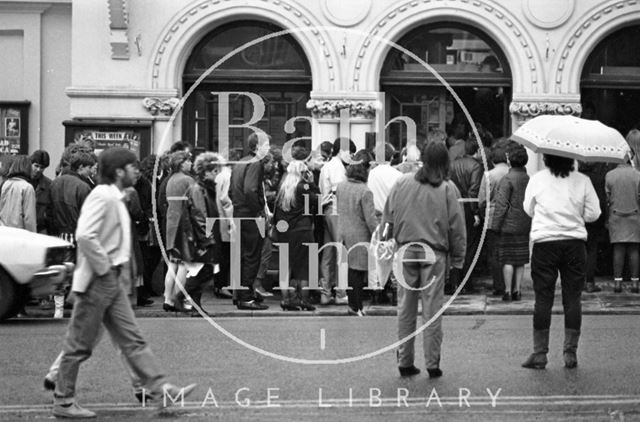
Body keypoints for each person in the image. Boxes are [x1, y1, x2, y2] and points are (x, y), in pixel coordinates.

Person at [51, 148, 196, 419]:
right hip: (98, 280)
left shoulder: (114, 196)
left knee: (133, 340)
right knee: (79, 344)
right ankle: (63, 400)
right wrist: (105, 269)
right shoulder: (102, 196)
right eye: (131, 168)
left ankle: (160, 389)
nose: (136, 172)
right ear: (119, 172)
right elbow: (84, 235)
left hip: (111, 279)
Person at [383, 141, 466, 378]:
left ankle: (405, 360)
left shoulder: (401, 182)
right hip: (434, 254)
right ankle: (432, 363)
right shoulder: (448, 189)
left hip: (405, 250)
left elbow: (387, 219)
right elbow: (457, 229)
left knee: (405, 309)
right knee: (432, 310)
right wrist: (458, 261)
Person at [522, 154, 601, 370]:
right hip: (574, 243)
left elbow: (528, 209)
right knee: (573, 298)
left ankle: (539, 354)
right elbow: (595, 212)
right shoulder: (582, 180)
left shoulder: (537, 179)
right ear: (572, 159)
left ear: (546, 158)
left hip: (545, 243)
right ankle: (570, 353)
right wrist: (576, 215)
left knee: (543, 299)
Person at [229, 133, 271, 310]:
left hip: (239, 213)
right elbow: (250, 190)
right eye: (266, 145)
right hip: (250, 215)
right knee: (252, 257)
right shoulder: (255, 163)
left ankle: (240, 294)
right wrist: (258, 212)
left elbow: (233, 191)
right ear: (258, 146)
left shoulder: (241, 162)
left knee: (242, 255)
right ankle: (246, 297)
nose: (268, 148)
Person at [273, 159, 318, 311]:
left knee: (286, 267)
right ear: (302, 173)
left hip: (285, 233)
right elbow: (316, 200)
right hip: (302, 231)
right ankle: (303, 300)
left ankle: (286, 300)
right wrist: (312, 183)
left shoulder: (282, 188)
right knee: (304, 268)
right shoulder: (303, 186)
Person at [336, 150, 377, 316]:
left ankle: (353, 305)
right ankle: (356, 306)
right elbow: (370, 218)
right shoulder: (365, 191)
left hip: (344, 230)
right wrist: (378, 233)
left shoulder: (341, 186)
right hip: (360, 233)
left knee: (351, 269)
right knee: (358, 272)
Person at [182, 152, 223, 316]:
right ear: (205, 172)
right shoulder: (199, 189)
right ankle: (180, 296)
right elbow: (200, 216)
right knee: (205, 271)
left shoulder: (207, 189)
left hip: (205, 236)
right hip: (202, 238)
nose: (217, 175)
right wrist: (207, 239)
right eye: (214, 171)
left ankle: (195, 305)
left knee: (202, 271)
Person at [318, 137, 356, 305]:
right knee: (342, 252)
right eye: (350, 153)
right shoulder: (337, 168)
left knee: (328, 253)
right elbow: (340, 192)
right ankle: (341, 293)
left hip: (326, 210)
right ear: (341, 151)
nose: (351, 156)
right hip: (336, 210)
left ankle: (325, 293)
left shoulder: (327, 166)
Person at [491, 143, 530, 301]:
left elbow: (501, 205)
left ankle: (507, 291)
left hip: (508, 225)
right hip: (524, 223)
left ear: (510, 160)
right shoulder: (528, 178)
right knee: (520, 260)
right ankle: (517, 290)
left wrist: (495, 225)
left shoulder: (507, 179)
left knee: (507, 259)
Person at [605, 129, 640, 294]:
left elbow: (607, 200)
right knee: (634, 249)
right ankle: (634, 283)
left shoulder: (609, 175)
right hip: (634, 215)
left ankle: (617, 283)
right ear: (630, 157)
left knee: (618, 248)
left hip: (616, 216)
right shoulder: (637, 175)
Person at [163, 151, 196, 312]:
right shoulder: (187, 180)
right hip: (184, 225)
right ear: (182, 163)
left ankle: (167, 299)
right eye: (189, 161)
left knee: (172, 264)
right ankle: (178, 299)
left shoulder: (170, 180)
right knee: (184, 265)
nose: (191, 163)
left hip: (171, 224)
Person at [449, 138, 483, 293]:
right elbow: (474, 190)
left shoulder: (453, 164)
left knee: (455, 244)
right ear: (476, 151)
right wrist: (475, 212)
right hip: (469, 209)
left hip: (454, 206)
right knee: (469, 246)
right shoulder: (476, 166)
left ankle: (454, 281)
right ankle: (466, 283)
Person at [478, 139, 509, 296]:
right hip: (510, 217)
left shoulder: (488, 175)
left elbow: (482, 199)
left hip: (492, 217)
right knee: (508, 252)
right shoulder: (512, 173)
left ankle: (499, 285)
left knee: (494, 253)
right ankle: (510, 285)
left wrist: (482, 213)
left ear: (493, 160)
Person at [0, 155, 36, 232]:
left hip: (3, 231)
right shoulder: (27, 187)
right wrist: (33, 236)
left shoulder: (5, 184)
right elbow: (29, 218)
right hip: (19, 234)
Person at [30, 150, 54, 234]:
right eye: (36, 166)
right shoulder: (22, 182)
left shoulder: (49, 184)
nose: (38, 170)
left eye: (42, 167)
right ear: (30, 164)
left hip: (41, 228)